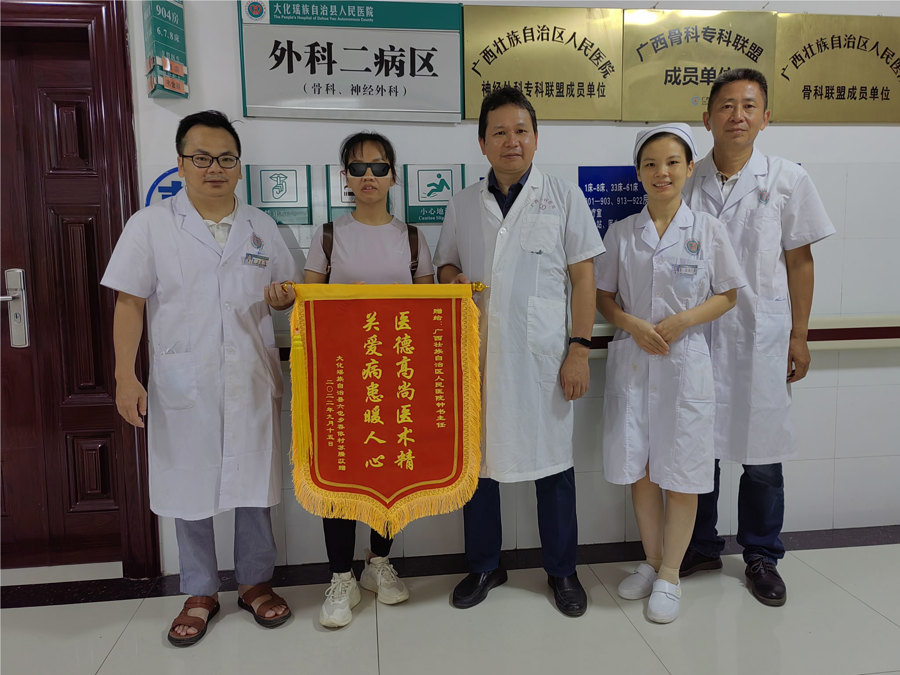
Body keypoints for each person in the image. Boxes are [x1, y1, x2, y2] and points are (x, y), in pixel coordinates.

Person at [102, 110, 297, 646]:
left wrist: (283, 297)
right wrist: (125, 376)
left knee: (254, 484)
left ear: (240, 166)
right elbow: (129, 302)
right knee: (189, 484)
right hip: (183, 381)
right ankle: (199, 591)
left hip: (251, 377)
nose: (215, 168)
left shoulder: (261, 227)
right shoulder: (151, 225)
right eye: (202, 157)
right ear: (181, 163)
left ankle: (255, 582)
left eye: (226, 158)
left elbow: (288, 292)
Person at [434, 87, 605, 617]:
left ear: (536, 138)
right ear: (482, 142)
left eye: (521, 131)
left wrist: (579, 349)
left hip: (544, 359)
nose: (512, 141)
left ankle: (563, 571)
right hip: (479, 358)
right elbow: (445, 265)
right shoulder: (463, 203)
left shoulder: (564, 197)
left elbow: (584, 279)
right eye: (500, 132)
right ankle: (485, 565)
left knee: (553, 466)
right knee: (479, 467)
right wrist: (452, 278)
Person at [680, 69, 835, 607]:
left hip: (761, 337)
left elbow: (800, 262)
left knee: (763, 456)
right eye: (726, 106)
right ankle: (699, 545)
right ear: (708, 118)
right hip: (698, 335)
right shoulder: (686, 177)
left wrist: (800, 335)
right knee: (697, 446)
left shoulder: (787, 179)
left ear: (766, 117)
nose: (737, 115)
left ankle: (762, 555)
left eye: (749, 106)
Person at [595, 124, 745, 623]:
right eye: (651, 163)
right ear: (639, 172)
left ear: (689, 168)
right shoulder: (622, 232)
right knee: (640, 471)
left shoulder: (707, 229)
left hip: (685, 364)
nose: (662, 172)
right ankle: (653, 560)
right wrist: (632, 324)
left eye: (673, 162)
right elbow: (603, 297)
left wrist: (683, 320)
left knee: (681, 475)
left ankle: (672, 575)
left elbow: (728, 294)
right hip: (635, 362)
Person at [301, 131, 435, 628]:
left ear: (393, 176)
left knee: (389, 470)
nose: (369, 177)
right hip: (340, 382)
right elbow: (308, 309)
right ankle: (341, 576)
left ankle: (379, 562)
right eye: (358, 168)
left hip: (396, 377)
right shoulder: (328, 236)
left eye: (379, 167)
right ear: (346, 178)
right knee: (338, 476)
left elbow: (429, 314)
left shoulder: (414, 238)